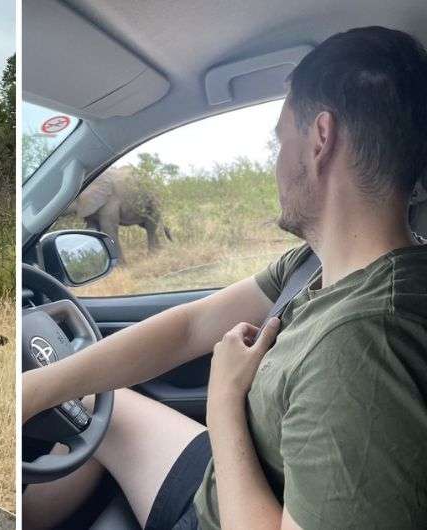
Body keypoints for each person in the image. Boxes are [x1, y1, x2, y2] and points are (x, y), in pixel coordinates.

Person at [22, 26, 427, 530]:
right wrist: (36, 389)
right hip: (227, 480)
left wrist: (223, 402)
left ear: (321, 139)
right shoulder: (314, 267)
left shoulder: (363, 346)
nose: (277, 162)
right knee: (98, 407)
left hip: (219, 515)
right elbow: (193, 327)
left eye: (281, 139)